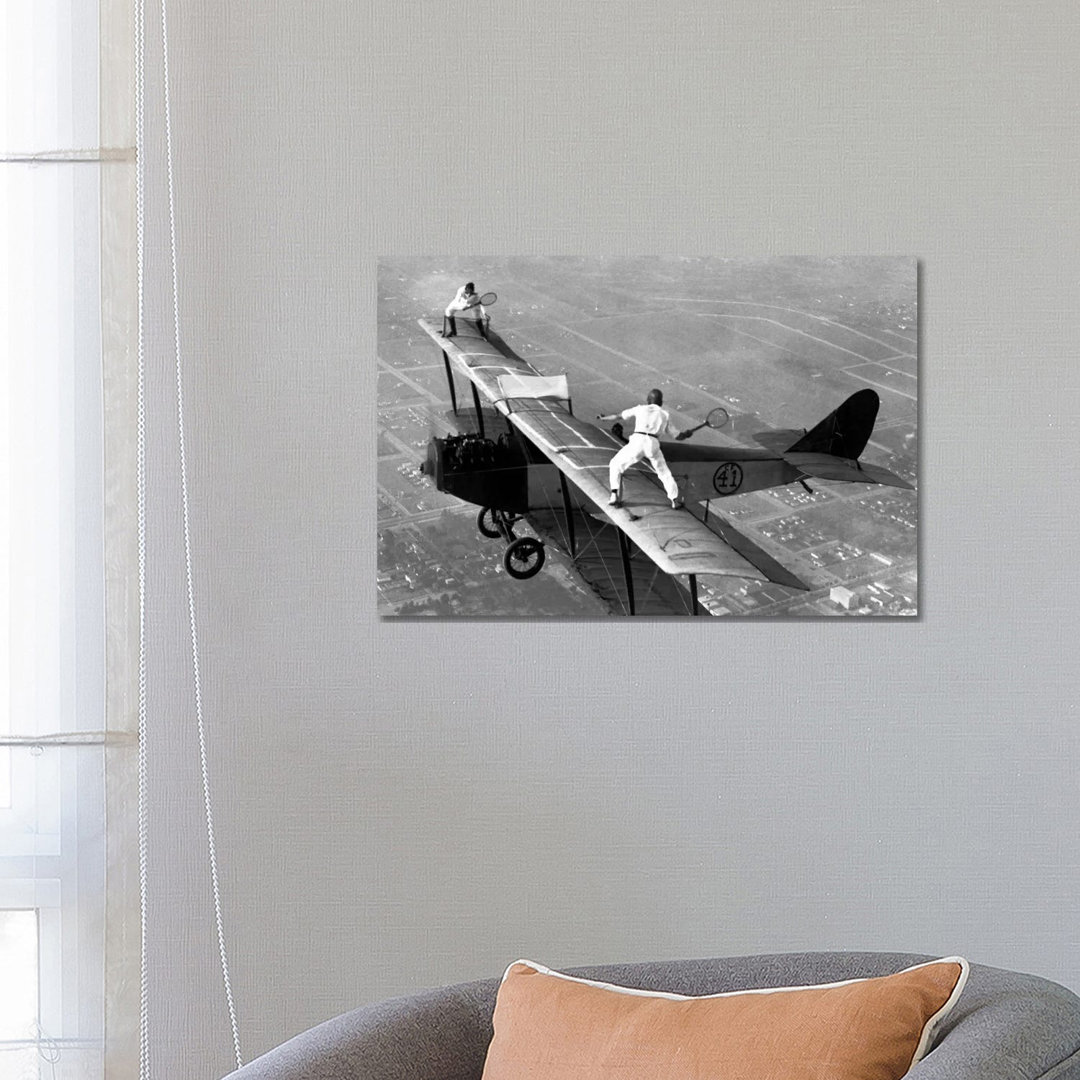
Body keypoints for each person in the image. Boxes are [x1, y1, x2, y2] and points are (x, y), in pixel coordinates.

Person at [598, 389, 684, 509]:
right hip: (653, 444)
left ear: (648, 400)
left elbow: (618, 416)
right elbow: (678, 436)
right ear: (661, 402)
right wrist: (687, 434)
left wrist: (604, 418)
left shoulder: (640, 408)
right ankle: (675, 500)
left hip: (637, 442)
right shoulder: (665, 414)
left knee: (615, 464)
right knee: (664, 473)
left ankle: (613, 495)